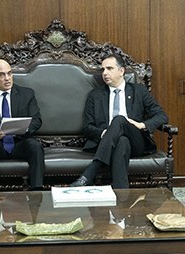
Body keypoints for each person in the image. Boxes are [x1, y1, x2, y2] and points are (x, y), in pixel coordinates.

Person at [69, 54, 168, 188]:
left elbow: (161, 116)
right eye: (103, 69)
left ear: (121, 71)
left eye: (109, 68)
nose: (105, 73)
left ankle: (90, 172)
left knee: (120, 120)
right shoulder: (95, 95)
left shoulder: (139, 91)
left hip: (136, 142)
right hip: (108, 142)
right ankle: (121, 197)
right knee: (122, 141)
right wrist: (105, 133)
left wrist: (141, 125)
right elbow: (87, 127)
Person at [0, 59, 44, 222]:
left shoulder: (27, 94)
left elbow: (37, 120)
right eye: (1, 75)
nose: (7, 78)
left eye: (9, 73)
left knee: (35, 146)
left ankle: (36, 197)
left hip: (19, 142)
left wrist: (23, 128)